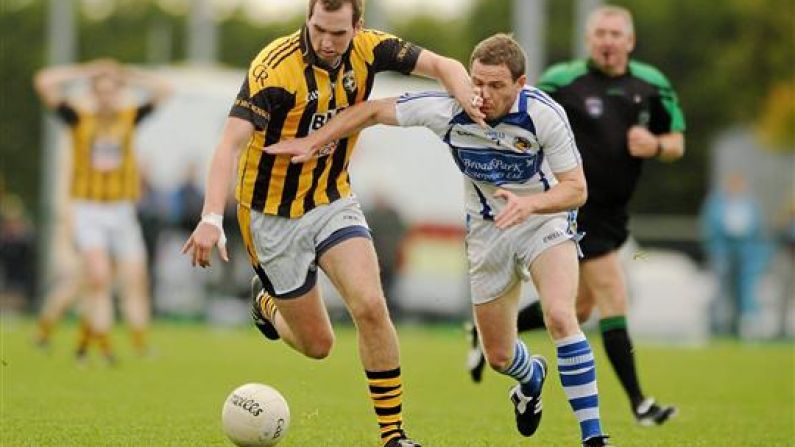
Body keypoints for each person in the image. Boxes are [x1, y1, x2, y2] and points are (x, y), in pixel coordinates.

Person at [264, 33, 614, 447]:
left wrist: (531, 206)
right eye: (477, 82)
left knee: (560, 316)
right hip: (488, 230)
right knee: (499, 355)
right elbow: (373, 111)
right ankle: (530, 376)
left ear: (520, 84)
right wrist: (314, 140)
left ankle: (593, 437)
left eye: (496, 85)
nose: (482, 94)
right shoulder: (448, 109)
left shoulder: (543, 115)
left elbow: (576, 188)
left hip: (544, 222)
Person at [180, 1, 485, 446]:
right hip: (271, 217)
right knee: (317, 346)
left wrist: (467, 96)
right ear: (308, 18)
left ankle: (393, 436)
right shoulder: (273, 68)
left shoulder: (371, 48)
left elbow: (444, 64)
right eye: (319, 28)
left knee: (370, 306)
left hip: (331, 200)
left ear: (357, 26)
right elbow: (229, 144)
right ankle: (265, 304)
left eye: (338, 33)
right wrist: (210, 217)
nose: (326, 41)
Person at [467, 5, 686, 426]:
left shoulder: (651, 84)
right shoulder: (563, 80)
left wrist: (656, 145)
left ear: (630, 41)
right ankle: (638, 403)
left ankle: (493, 331)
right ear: (589, 39)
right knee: (607, 297)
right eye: (600, 33)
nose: (607, 41)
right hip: (567, 207)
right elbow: (518, 105)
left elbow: (677, 141)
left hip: (613, 212)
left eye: (615, 34)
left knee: (578, 308)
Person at [33, 59, 171, 361]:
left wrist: (125, 73)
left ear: (119, 93)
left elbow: (164, 88)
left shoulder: (129, 117)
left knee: (132, 279)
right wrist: (88, 71)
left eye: (113, 91)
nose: (107, 98)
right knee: (95, 277)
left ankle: (130, 342)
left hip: (121, 210)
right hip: (88, 209)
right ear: (94, 94)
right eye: (101, 91)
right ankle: (96, 344)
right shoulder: (78, 118)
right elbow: (44, 81)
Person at [700, 171, 769, 337]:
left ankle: (738, 325)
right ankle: (717, 325)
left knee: (744, 290)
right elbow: (708, 227)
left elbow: (757, 229)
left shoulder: (751, 204)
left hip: (745, 250)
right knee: (720, 289)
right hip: (723, 249)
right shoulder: (716, 203)